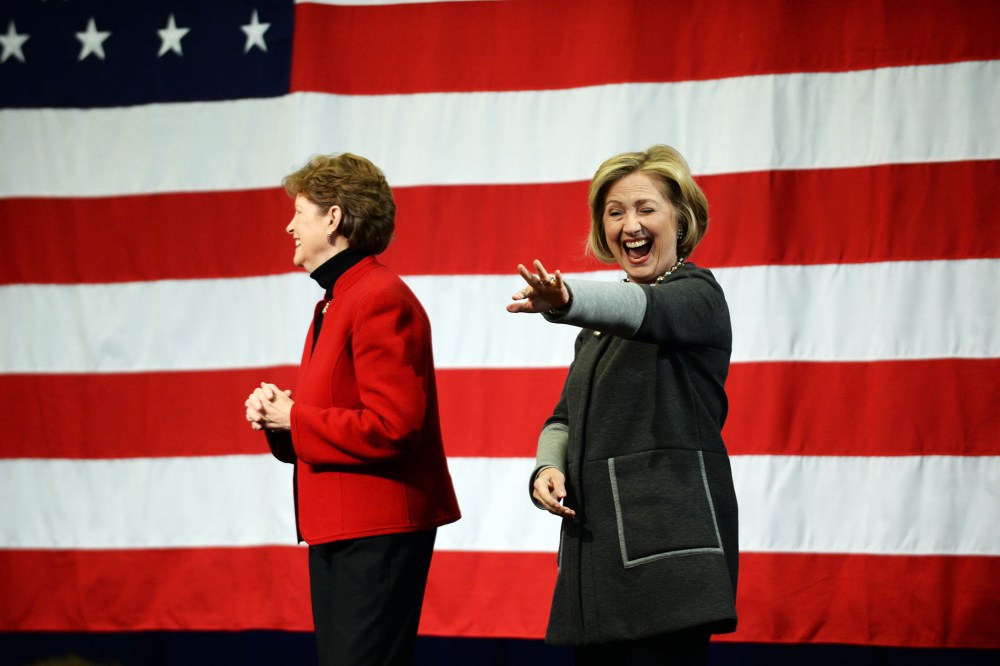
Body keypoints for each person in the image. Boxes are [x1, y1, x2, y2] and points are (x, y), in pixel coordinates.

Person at [507, 145, 738, 665]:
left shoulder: (698, 294)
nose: (630, 225)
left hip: (669, 562)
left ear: (680, 220)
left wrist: (566, 299)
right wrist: (547, 467)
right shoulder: (595, 331)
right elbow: (563, 419)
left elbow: (644, 308)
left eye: (645, 208)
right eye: (615, 213)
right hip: (598, 561)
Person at [244, 152, 461, 666]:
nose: (289, 226)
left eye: (300, 212)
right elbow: (341, 414)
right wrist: (281, 418)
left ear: (334, 218)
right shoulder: (337, 300)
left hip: (376, 534)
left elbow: (394, 427)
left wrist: (293, 418)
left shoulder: (377, 297)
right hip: (345, 530)